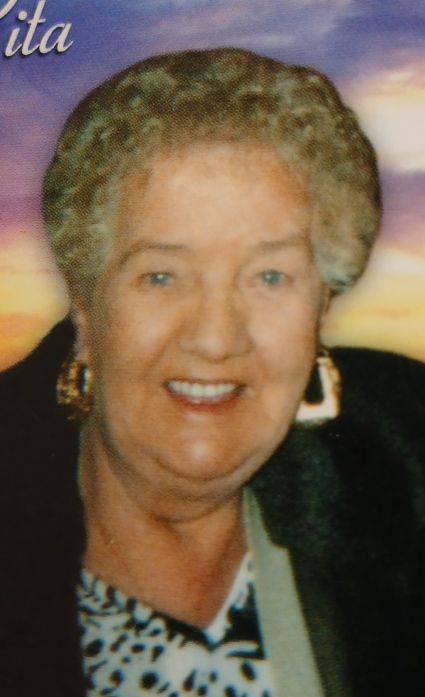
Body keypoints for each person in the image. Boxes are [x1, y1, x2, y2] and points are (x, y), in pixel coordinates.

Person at [1, 47, 425, 697]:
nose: (215, 338)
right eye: (162, 276)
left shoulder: (402, 475)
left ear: (321, 305)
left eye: (269, 277)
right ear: (85, 307)